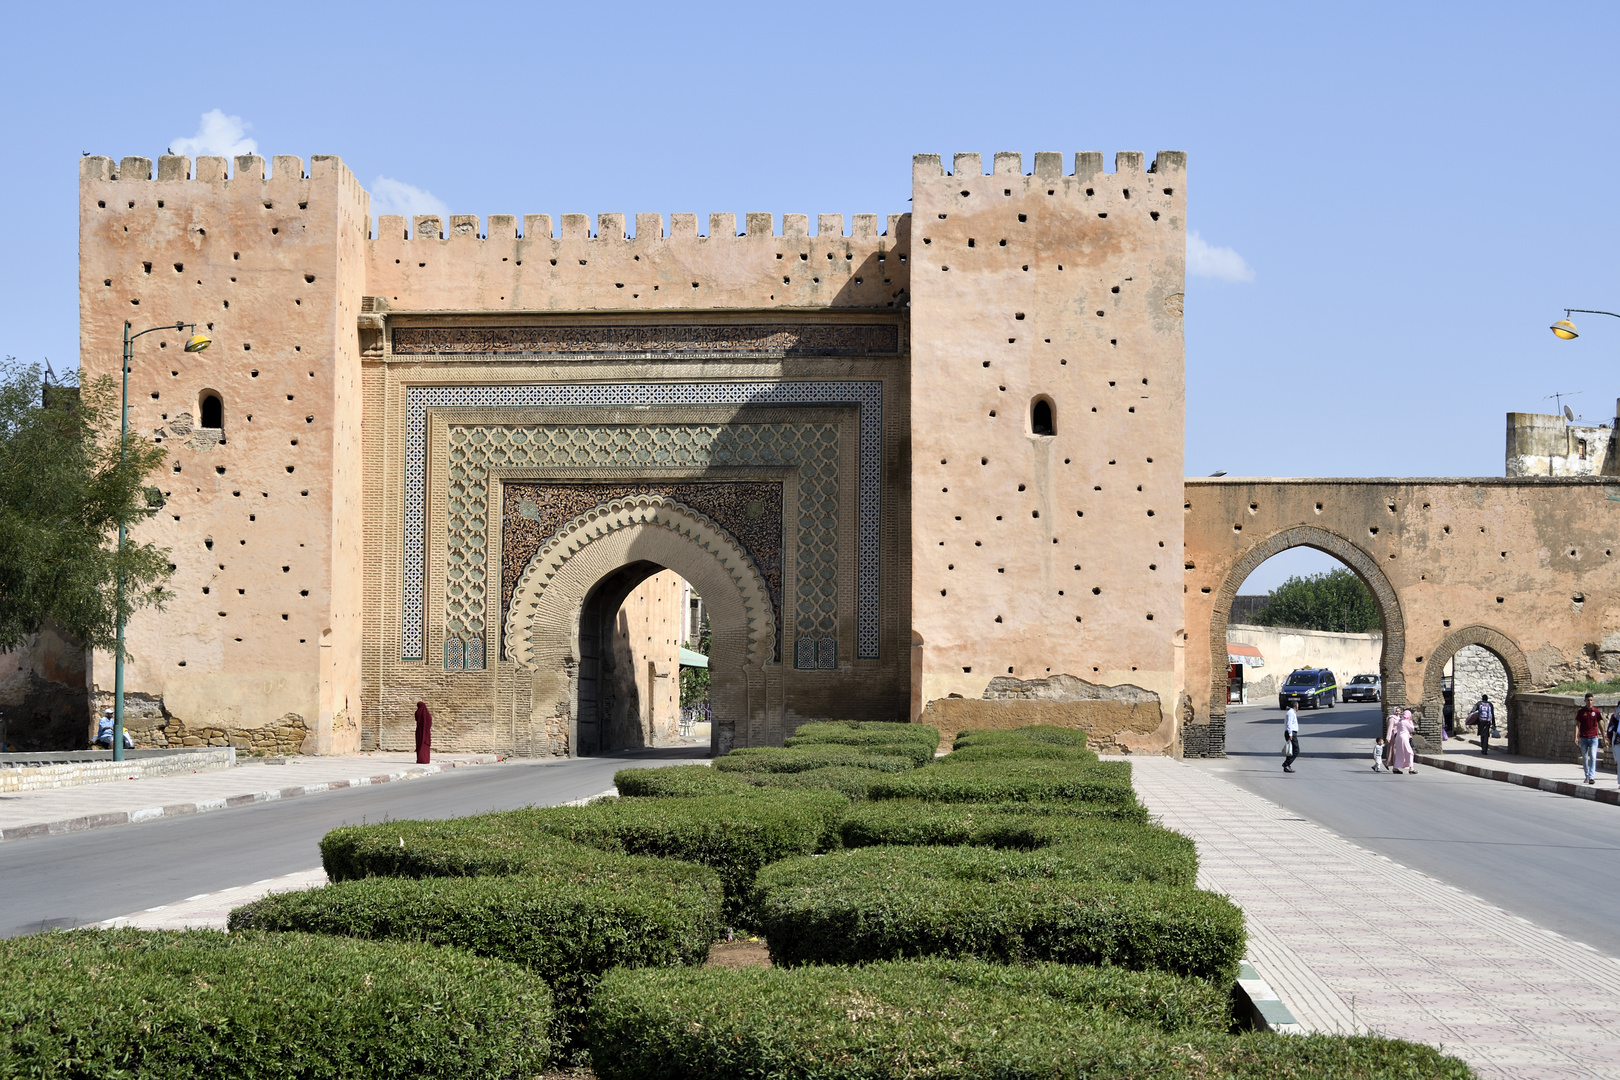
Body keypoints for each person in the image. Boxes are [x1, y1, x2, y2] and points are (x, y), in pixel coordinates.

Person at [1576, 693, 1605, 786]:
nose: (1590, 702)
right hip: (1584, 738)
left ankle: (1591, 777)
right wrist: (1576, 736)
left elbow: (1600, 725)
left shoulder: (1596, 712)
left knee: (1593, 757)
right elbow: (1577, 724)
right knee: (1584, 758)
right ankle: (1587, 776)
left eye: (1591, 700)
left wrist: (1604, 737)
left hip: (1593, 738)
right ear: (1585, 701)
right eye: (1588, 700)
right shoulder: (1581, 712)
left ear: (1593, 701)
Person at [1389, 709, 1416, 774]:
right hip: (1403, 738)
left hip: (1398, 738)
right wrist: (1411, 722)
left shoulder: (1400, 721)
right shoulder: (1406, 722)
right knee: (1410, 752)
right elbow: (1412, 729)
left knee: (1399, 753)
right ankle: (1411, 768)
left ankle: (1395, 768)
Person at [1282, 704, 1300, 773]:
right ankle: (1286, 764)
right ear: (1295, 706)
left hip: (1291, 733)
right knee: (1296, 750)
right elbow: (1289, 724)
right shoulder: (1291, 713)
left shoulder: (1291, 713)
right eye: (1298, 706)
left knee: (1291, 750)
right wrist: (1290, 734)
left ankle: (1287, 766)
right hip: (1291, 733)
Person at [414, 700, 432, 765]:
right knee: (424, 745)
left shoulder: (417, 713)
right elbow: (430, 723)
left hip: (419, 731)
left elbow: (416, 719)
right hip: (426, 732)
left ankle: (420, 759)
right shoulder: (428, 715)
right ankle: (425, 759)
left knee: (419, 744)